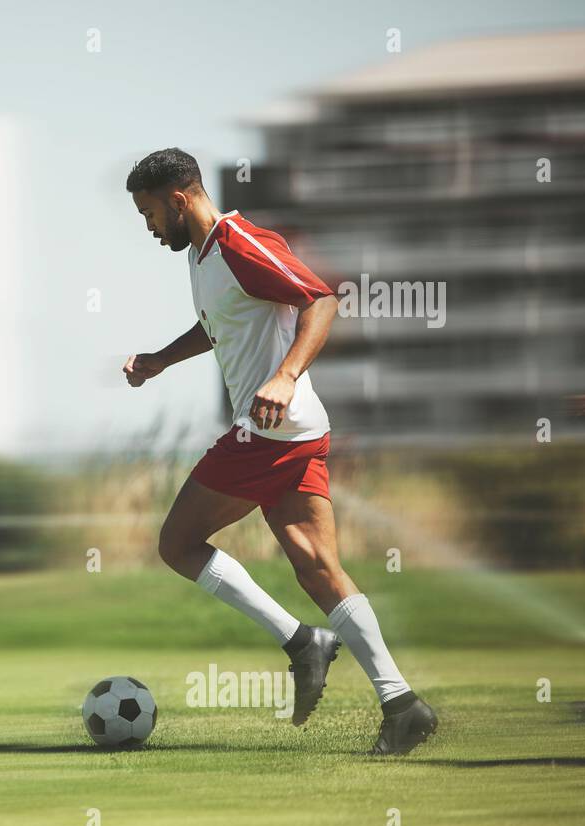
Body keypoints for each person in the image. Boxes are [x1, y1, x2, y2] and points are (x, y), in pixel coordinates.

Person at [123, 148, 437, 756]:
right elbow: (222, 323)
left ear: (179, 199)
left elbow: (320, 298)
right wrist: (162, 358)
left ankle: (301, 642)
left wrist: (287, 375)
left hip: (268, 431)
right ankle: (402, 704)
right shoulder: (202, 256)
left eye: (149, 212)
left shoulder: (240, 241)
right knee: (317, 568)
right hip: (291, 433)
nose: (148, 226)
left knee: (177, 543)